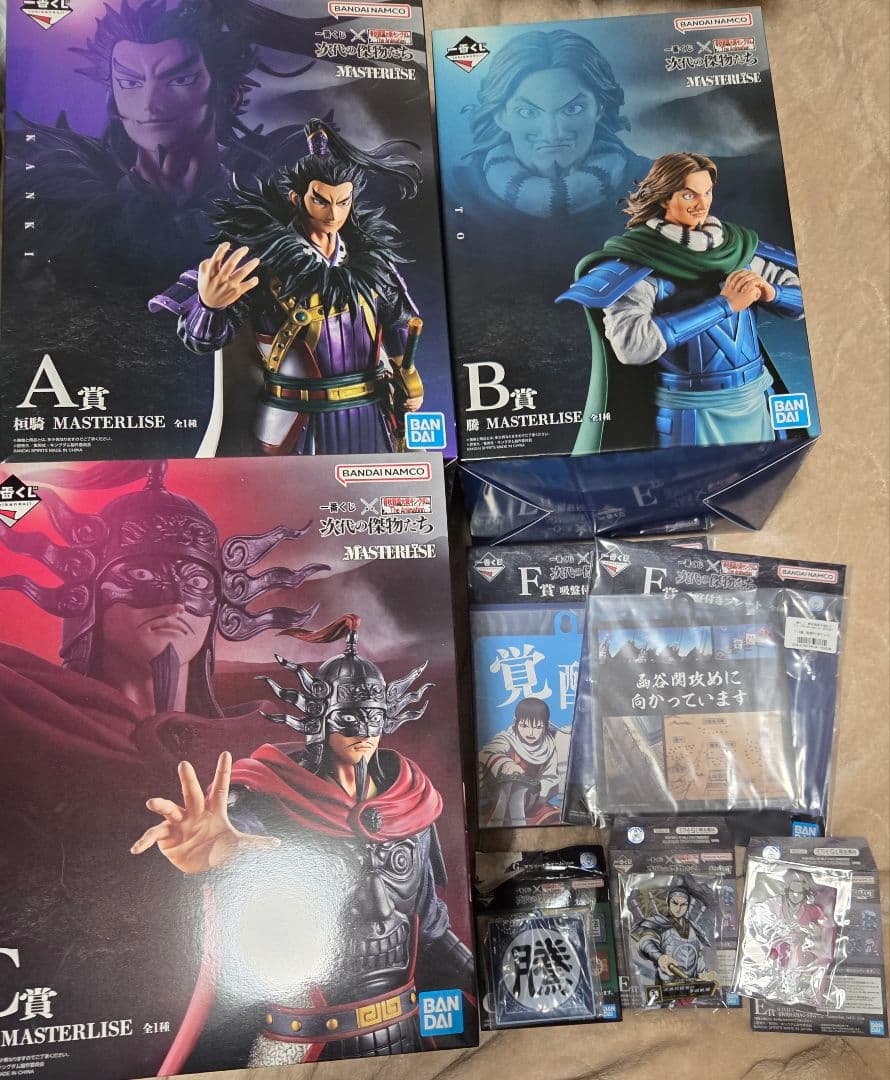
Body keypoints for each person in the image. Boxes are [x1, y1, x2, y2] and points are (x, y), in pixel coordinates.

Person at [132, 626, 475, 1069]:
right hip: (298, 1045)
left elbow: (430, 928)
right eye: (348, 717)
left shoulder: (409, 805)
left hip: (403, 1032)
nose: (363, 730)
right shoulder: (270, 799)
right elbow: (242, 837)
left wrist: (484, 985)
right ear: (320, 718)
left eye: (372, 717)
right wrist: (216, 858)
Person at [150, 118, 425, 455]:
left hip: (372, 414)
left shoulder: (369, 260)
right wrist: (209, 307)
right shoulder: (261, 261)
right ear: (297, 197)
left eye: (343, 202)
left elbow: (397, 319)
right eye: (321, 201)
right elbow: (202, 340)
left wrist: (407, 371)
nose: (333, 215)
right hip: (295, 420)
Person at [557, 152, 805, 453]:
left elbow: (802, 302)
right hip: (692, 412)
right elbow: (632, 346)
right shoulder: (636, 264)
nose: (702, 204)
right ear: (664, 197)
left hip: (757, 397)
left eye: (707, 192)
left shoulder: (734, 250)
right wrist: (725, 305)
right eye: (689, 195)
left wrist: (771, 292)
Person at [457, 28, 648, 226]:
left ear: (600, 108)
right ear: (500, 116)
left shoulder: (656, 180)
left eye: (573, 109)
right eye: (527, 112)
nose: (552, 133)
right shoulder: (453, 191)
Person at [478, 697, 570, 826]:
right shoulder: (508, 738)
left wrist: (535, 790)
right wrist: (506, 764)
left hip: (534, 800)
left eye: (538, 727)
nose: (530, 733)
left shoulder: (549, 745)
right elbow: (486, 752)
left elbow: (550, 778)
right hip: (502, 797)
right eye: (524, 726)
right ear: (516, 722)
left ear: (546, 726)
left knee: (553, 819)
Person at [632, 880, 717, 1000]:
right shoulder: (659, 923)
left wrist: (704, 974)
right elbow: (645, 941)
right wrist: (660, 957)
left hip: (690, 988)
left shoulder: (694, 929)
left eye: (683, 905)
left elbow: (698, 956)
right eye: (675, 903)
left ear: (687, 906)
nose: (678, 908)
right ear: (668, 902)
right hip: (666, 987)